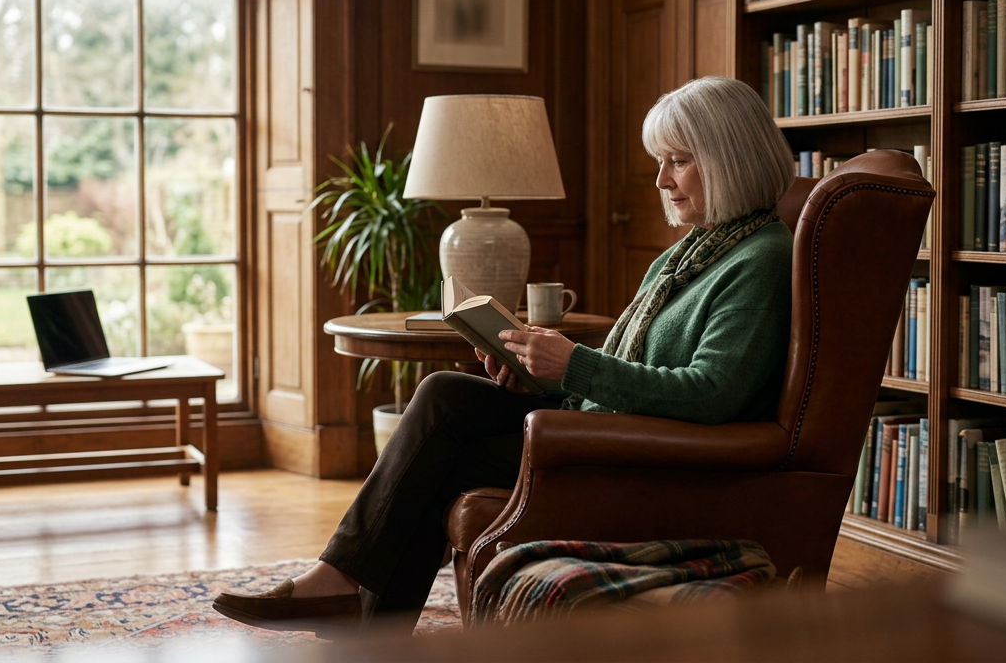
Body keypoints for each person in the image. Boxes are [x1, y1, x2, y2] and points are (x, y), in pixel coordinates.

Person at [212, 75, 796, 634]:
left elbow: (712, 393)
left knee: (447, 467)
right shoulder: (689, 254)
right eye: (660, 162)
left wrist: (572, 364)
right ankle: (343, 591)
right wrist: (536, 377)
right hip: (601, 423)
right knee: (446, 392)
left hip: (642, 451)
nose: (662, 181)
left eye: (679, 161)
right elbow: (623, 372)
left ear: (728, 159)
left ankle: (357, 617)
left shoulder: (760, 259)